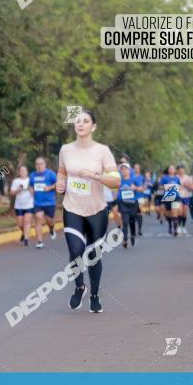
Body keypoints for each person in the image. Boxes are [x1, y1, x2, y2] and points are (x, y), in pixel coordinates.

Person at [56, 109, 119, 313]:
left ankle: (94, 295)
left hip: (96, 209)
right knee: (75, 251)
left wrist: (95, 176)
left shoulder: (102, 151)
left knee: (93, 255)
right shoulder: (65, 150)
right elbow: (62, 171)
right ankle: (79, 287)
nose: (80, 124)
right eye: (77, 121)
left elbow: (116, 181)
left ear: (93, 126)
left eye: (85, 121)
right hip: (72, 207)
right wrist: (60, 183)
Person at [30, 156, 57, 249]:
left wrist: (49, 188)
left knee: (50, 220)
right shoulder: (32, 175)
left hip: (50, 202)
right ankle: (39, 241)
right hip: (38, 203)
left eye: (41, 164)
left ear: (44, 165)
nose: (39, 165)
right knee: (38, 218)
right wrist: (31, 190)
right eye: (37, 164)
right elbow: (30, 185)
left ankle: (51, 228)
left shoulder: (50, 174)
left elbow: (58, 183)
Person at [10, 165, 35, 246]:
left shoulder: (30, 181)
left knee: (27, 222)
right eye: (21, 171)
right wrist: (18, 190)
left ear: (27, 172)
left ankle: (26, 239)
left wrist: (31, 190)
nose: (23, 172)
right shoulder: (16, 181)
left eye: (24, 171)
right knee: (20, 224)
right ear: (19, 172)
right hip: (19, 205)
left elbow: (35, 192)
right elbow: (12, 193)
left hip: (29, 204)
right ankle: (24, 233)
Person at [117, 162, 139, 248]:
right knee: (125, 222)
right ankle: (125, 239)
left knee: (132, 221)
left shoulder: (134, 180)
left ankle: (132, 235)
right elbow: (116, 191)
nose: (124, 171)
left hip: (133, 204)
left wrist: (136, 188)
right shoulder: (119, 181)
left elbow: (141, 189)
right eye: (122, 169)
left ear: (129, 170)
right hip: (123, 204)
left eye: (126, 169)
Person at [159, 165, 182, 237]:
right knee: (168, 214)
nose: (171, 170)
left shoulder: (177, 178)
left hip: (176, 197)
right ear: (168, 170)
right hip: (168, 197)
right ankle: (169, 225)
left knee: (174, 212)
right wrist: (167, 186)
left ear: (175, 170)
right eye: (170, 168)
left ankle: (175, 230)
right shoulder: (164, 178)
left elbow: (179, 186)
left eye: (173, 168)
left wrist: (176, 188)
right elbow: (160, 186)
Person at [177, 164, 193, 236]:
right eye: (180, 169)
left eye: (182, 169)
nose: (181, 170)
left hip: (186, 196)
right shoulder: (176, 177)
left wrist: (186, 185)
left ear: (184, 170)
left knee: (184, 213)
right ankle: (178, 227)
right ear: (178, 170)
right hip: (178, 197)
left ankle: (183, 227)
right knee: (179, 212)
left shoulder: (188, 178)